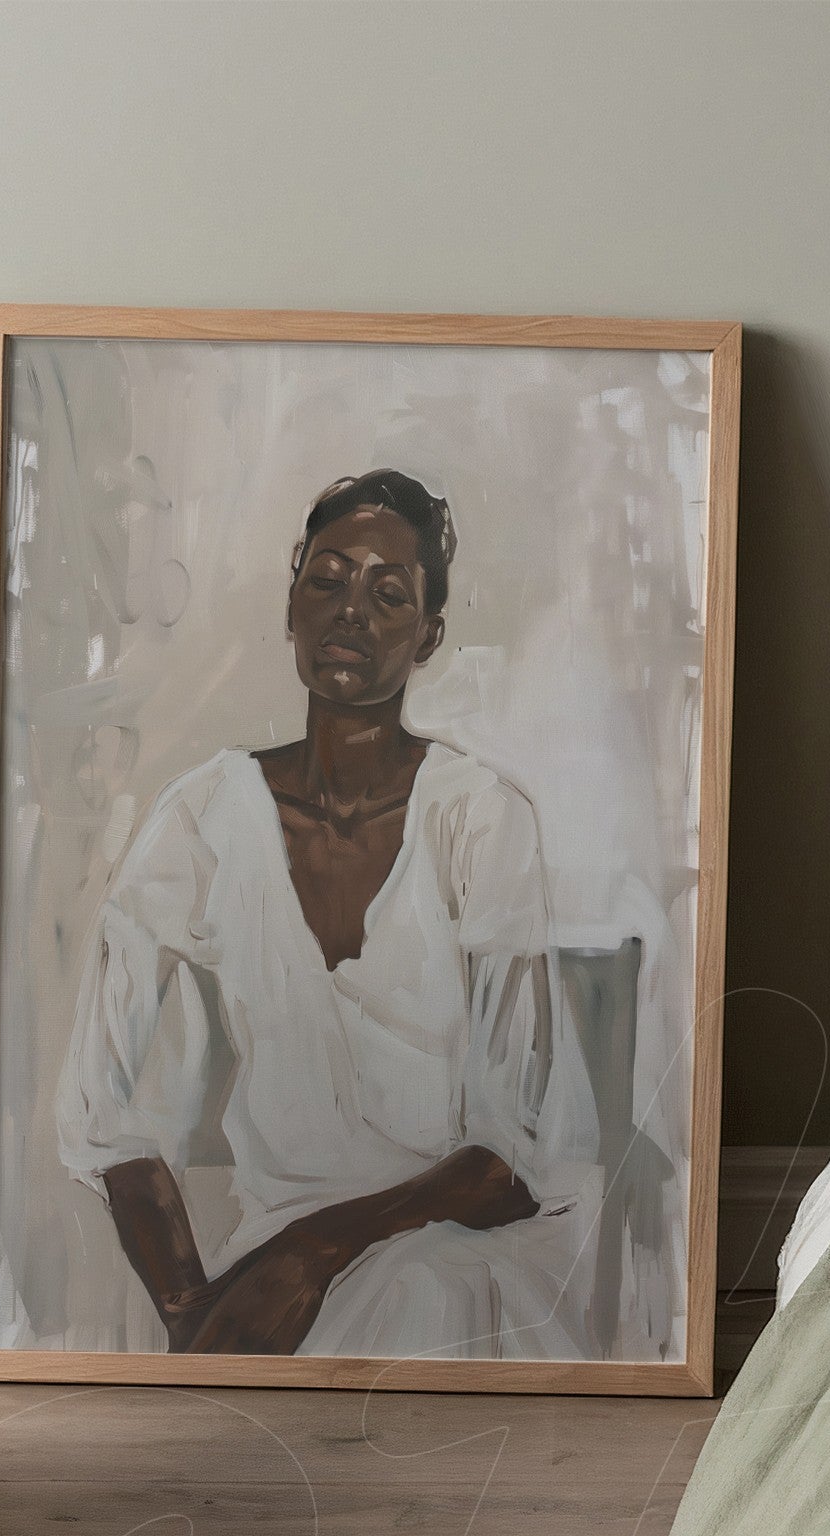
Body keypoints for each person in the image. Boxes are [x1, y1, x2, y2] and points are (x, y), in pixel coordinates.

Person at [57, 469, 594, 1359]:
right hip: (273, 1258)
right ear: (292, 605)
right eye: (328, 579)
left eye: (388, 595)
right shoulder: (201, 818)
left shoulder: (481, 815)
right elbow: (104, 1107)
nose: (351, 610)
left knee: (416, 1291)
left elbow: (515, 1158)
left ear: (428, 636)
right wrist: (193, 1311)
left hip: (463, 1257)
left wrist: (318, 1252)